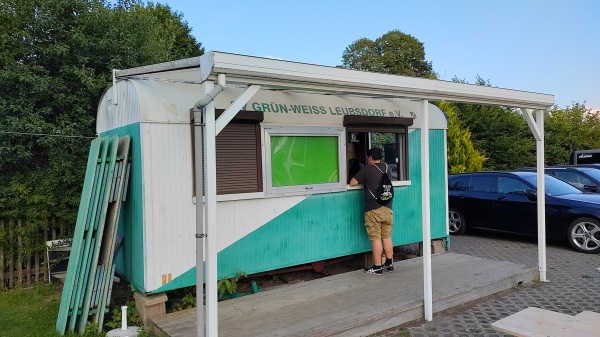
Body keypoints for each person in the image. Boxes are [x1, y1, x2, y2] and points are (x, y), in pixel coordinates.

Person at [349, 147, 394, 275]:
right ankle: (389, 263)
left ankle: (378, 266)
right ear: (380, 157)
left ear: (369, 158)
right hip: (388, 207)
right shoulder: (387, 168)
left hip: (373, 210)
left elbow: (352, 183)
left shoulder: (366, 169)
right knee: (387, 236)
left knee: (375, 238)